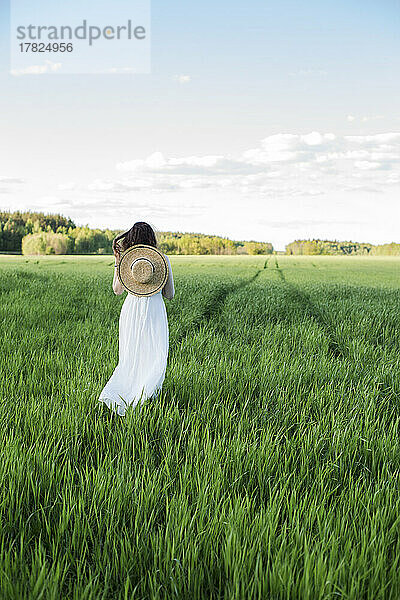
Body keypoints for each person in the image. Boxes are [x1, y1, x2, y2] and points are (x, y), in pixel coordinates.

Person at [97, 221, 175, 416]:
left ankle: (127, 394)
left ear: (131, 238)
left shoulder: (126, 261)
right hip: (154, 311)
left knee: (131, 356)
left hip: (131, 310)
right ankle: (145, 397)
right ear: (152, 238)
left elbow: (117, 291)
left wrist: (118, 261)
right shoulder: (161, 259)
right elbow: (170, 294)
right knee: (154, 355)